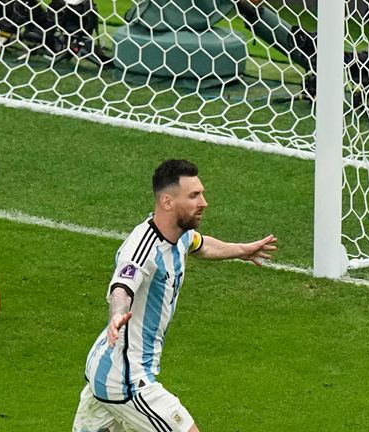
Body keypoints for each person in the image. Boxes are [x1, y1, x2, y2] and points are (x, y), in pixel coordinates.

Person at [72, 159, 278, 432]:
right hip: (125, 379)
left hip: (105, 366)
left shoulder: (179, 234)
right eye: (194, 196)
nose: (203, 202)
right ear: (167, 202)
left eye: (201, 193)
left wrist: (241, 250)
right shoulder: (142, 249)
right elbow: (122, 286)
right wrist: (117, 314)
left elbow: (201, 245)